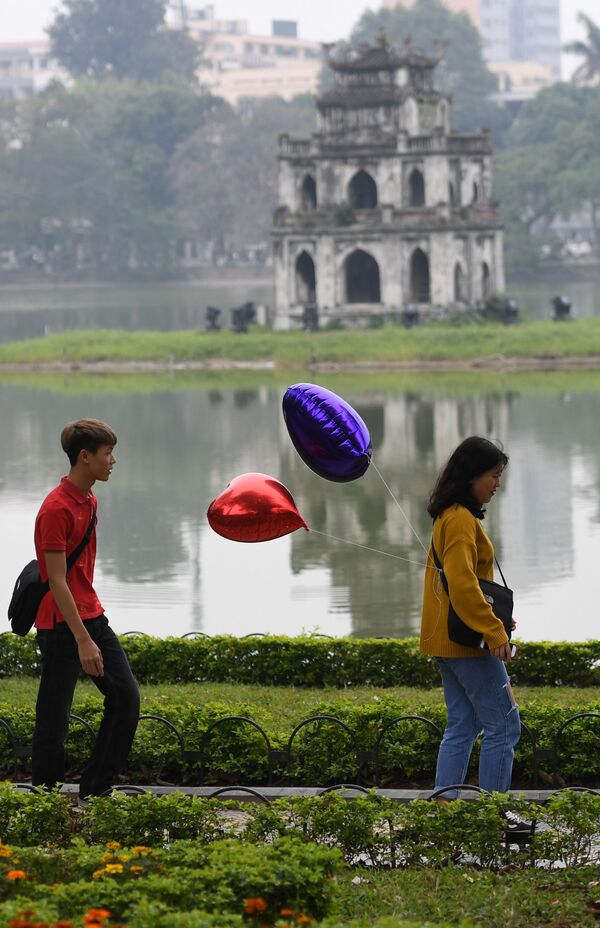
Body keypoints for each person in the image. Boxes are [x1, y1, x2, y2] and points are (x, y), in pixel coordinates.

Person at [31, 418, 140, 801]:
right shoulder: (55, 509)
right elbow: (58, 581)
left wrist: (91, 631)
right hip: (62, 624)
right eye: (108, 454)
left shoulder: (89, 499)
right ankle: (44, 801)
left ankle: (96, 790)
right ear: (84, 457)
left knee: (126, 697)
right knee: (54, 716)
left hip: (91, 614)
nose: (113, 461)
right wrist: (82, 640)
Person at [420, 436, 520, 799]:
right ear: (471, 476)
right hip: (467, 644)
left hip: (448, 639)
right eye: (492, 475)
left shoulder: (450, 516)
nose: (497, 484)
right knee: (506, 726)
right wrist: (494, 633)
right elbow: (463, 586)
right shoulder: (460, 520)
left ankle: (444, 811)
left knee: (463, 724)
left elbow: (465, 586)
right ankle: (491, 817)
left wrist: (495, 622)